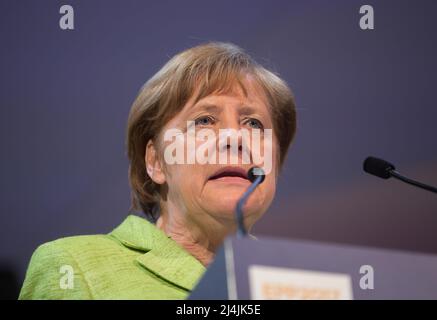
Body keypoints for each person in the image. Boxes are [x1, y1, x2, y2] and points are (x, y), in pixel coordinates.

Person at [19, 42, 297, 299]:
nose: (234, 138)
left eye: (253, 124)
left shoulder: (306, 283)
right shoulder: (70, 267)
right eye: (204, 120)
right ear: (156, 161)